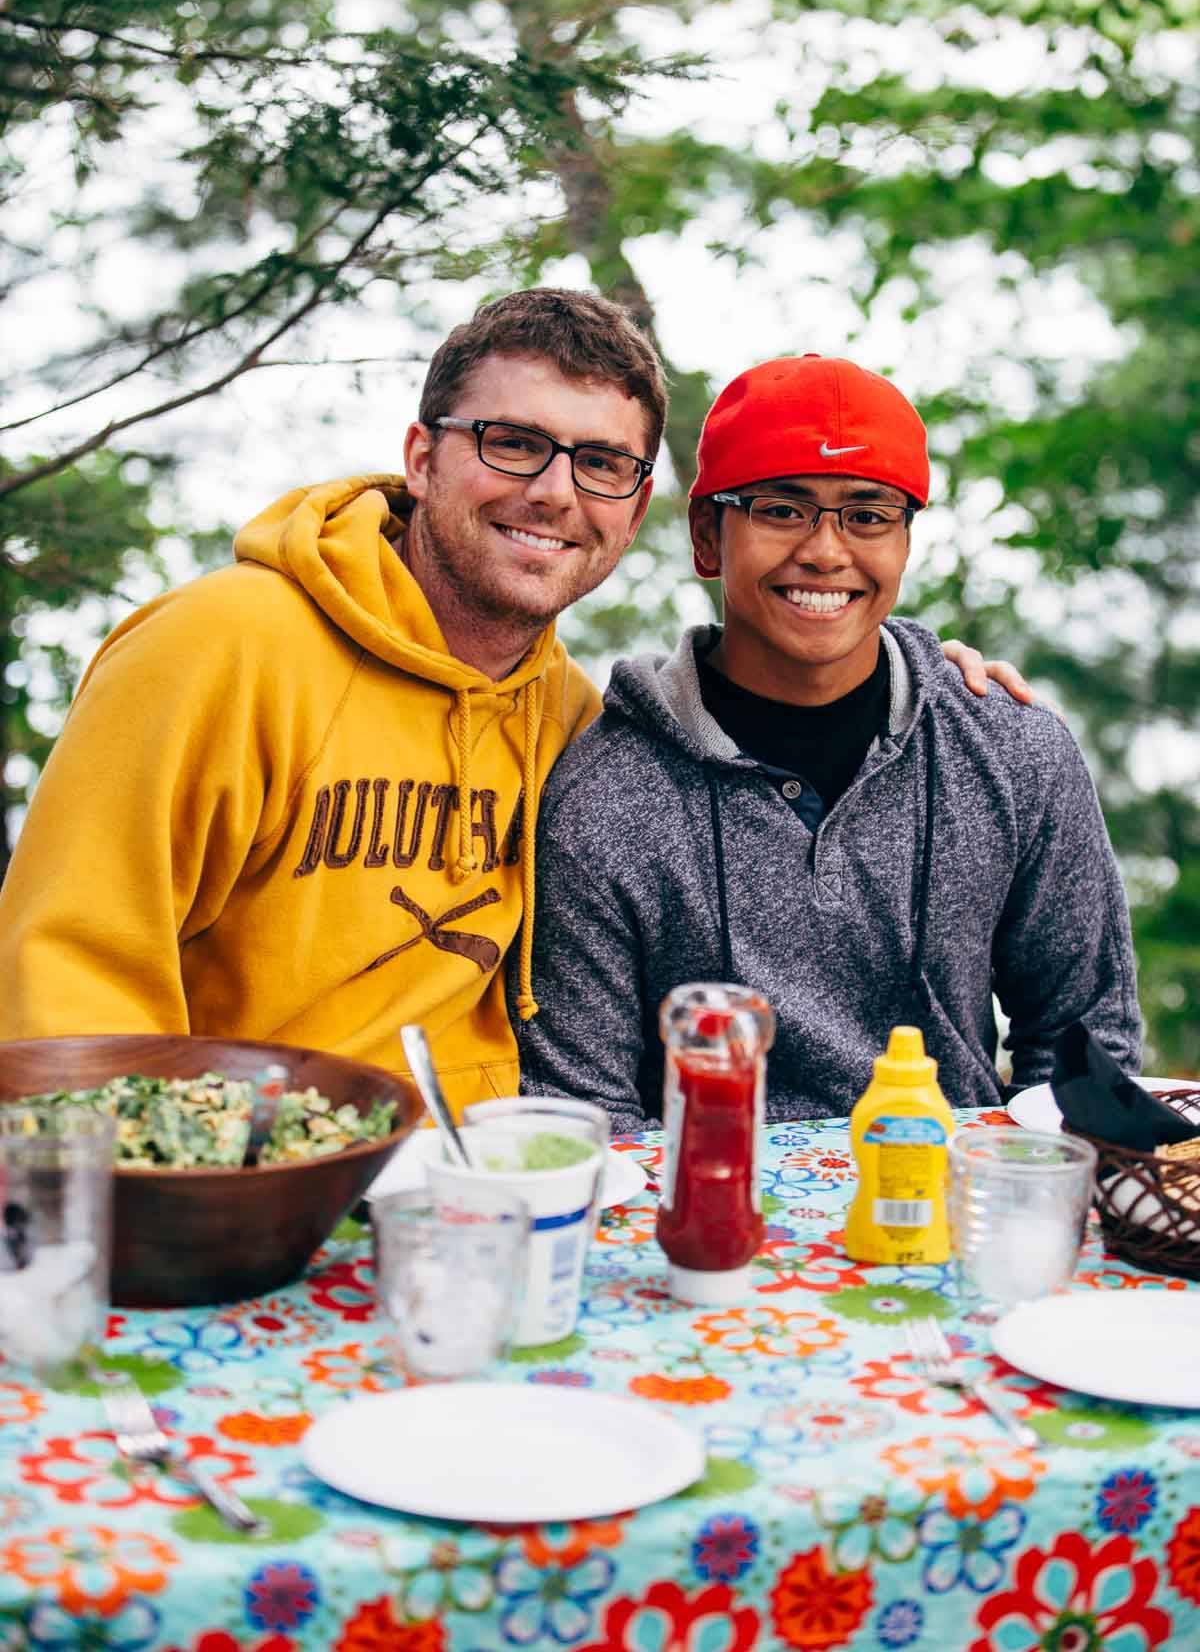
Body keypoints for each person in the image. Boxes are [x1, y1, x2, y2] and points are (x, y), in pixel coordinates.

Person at [0, 296, 1025, 1109]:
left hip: (492, 1198)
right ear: (421, 456)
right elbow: (69, 972)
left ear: (634, 510)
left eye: (602, 463)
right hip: (250, 1198)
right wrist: (138, 1214)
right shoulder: (219, 648)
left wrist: (919, 671)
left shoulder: (572, 722)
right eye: (512, 442)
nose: (554, 492)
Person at [514, 353, 1141, 1128]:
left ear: (904, 544)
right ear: (708, 536)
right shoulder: (601, 797)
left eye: (868, 514)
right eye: (782, 509)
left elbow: (1086, 1048)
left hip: (955, 1210)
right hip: (708, 1221)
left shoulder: (1013, 750)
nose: (826, 550)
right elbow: (588, 1118)